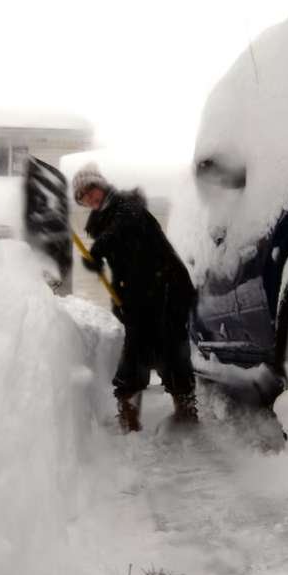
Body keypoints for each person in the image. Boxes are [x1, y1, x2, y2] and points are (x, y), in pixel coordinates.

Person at [72, 163, 197, 433]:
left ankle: (185, 413)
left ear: (101, 185)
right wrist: (120, 299)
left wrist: (100, 247)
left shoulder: (127, 207)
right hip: (141, 294)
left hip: (167, 288)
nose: (89, 198)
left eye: (90, 189)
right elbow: (125, 265)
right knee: (137, 350)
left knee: (170, 348)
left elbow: (126, 229)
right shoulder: (105, 221)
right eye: (82, 197)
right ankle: (129, 417)